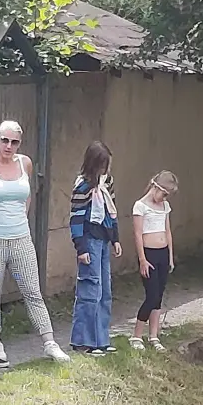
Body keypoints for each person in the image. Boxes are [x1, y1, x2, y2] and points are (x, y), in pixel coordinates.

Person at [0, 120, 69, 364]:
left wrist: (21, 216)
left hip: (21, 235)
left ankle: (49, 342)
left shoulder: (25, 163)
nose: (8, 146)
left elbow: (28, 195)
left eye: (14, 142)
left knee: (32, 290)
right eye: (4, 140)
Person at [69, 141, 122, 355]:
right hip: (89, 241)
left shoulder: (107, 183)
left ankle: (101, 338)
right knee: (90, 290)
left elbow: (112, 211)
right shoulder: (82, 187)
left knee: (104, 291)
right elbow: (76, 219)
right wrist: (80, 248)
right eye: (102, 165)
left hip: (103, 241)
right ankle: (83, 340)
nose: (105, 170)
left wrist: (116, 238)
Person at [130, 171, 179, 352]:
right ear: (156, 187)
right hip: (149, 254)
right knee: (151, 296)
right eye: (164, 193)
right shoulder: (140, 206)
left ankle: (153, 335)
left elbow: (168, 231)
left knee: (158, 296)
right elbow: (137, 234)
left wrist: (170, 256)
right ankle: (136, 334)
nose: (165, 198)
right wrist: (142, 259)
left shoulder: (165, 206)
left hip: (163, 254)